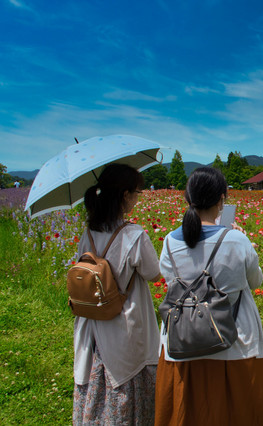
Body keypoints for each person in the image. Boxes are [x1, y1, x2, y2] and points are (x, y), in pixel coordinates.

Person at [155, 167, 263, 425]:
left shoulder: (170, 241)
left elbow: (171, 282)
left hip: (183, 340)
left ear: (188, 198)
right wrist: (239, 237)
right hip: (232, 341)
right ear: (221, 200)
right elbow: (255, 281)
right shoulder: (236, 240)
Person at [73, 163, 161, 425]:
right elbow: (154, 273)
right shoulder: (133, 235)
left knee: (96, 380)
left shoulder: (88, 232)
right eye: (137, 192)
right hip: (122, 323)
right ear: (125, 195)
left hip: (91, 323)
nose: (138, 198)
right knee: (123, 379)